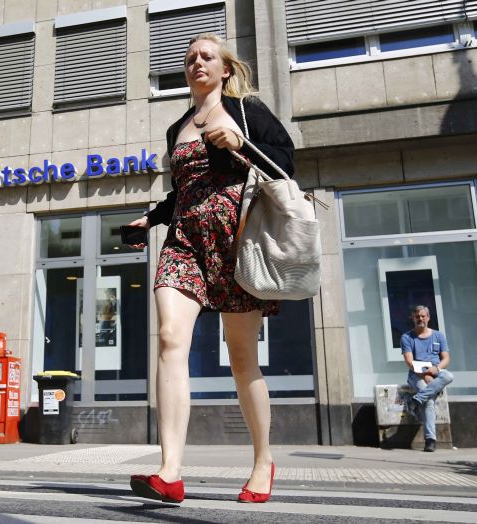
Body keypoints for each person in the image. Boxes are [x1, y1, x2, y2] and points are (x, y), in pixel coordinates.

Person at [126, 34, 294, 504]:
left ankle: (263, 461)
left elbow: (285, 162)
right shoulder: (177, 126)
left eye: (207, 57)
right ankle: (170, 470)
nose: (197, 62)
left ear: (225, 69)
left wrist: (241, 144)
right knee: (169, 338)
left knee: (241, 358)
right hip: (185, 241)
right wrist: (154, 216)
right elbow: (184, 190)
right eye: (190, 57)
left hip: (237, 242)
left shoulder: (247, 111)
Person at [401, 305, 454, 452]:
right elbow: (409, 362)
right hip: (416, 374)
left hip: (435, 371)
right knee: (429, 400)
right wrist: (425, 375)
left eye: (423, 316)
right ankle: (430, 440)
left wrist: (435, 370)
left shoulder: (438, 335)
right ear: (413, 318)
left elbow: (446, 359)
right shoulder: (406, 337)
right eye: (417, 316)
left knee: (449, 375)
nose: (420, 319)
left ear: (428, 318)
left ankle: (415, 400)